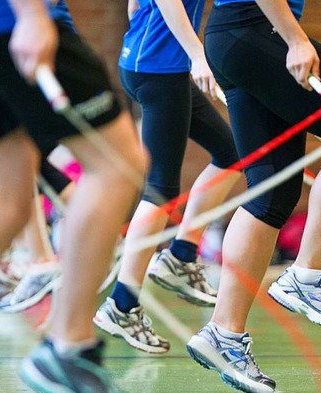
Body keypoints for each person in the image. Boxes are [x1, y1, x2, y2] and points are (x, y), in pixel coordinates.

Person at [0, 1, 149, 393]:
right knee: (117, 164)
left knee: (0, 204)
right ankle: (68, 346)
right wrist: (31, 14)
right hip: (5, 20)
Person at [185, 0, 321, 393]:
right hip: (259, 32)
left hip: (232, 38)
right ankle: (307, 274)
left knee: (271, 191)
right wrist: (295, 39)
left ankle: (223, 334)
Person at [93, 0, 242, 354]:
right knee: (160, 190)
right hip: (160, 68)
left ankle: (181, 254)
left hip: (157, 63)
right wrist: (195, 53)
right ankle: (121, 305)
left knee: (231, 154)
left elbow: (133, 8)